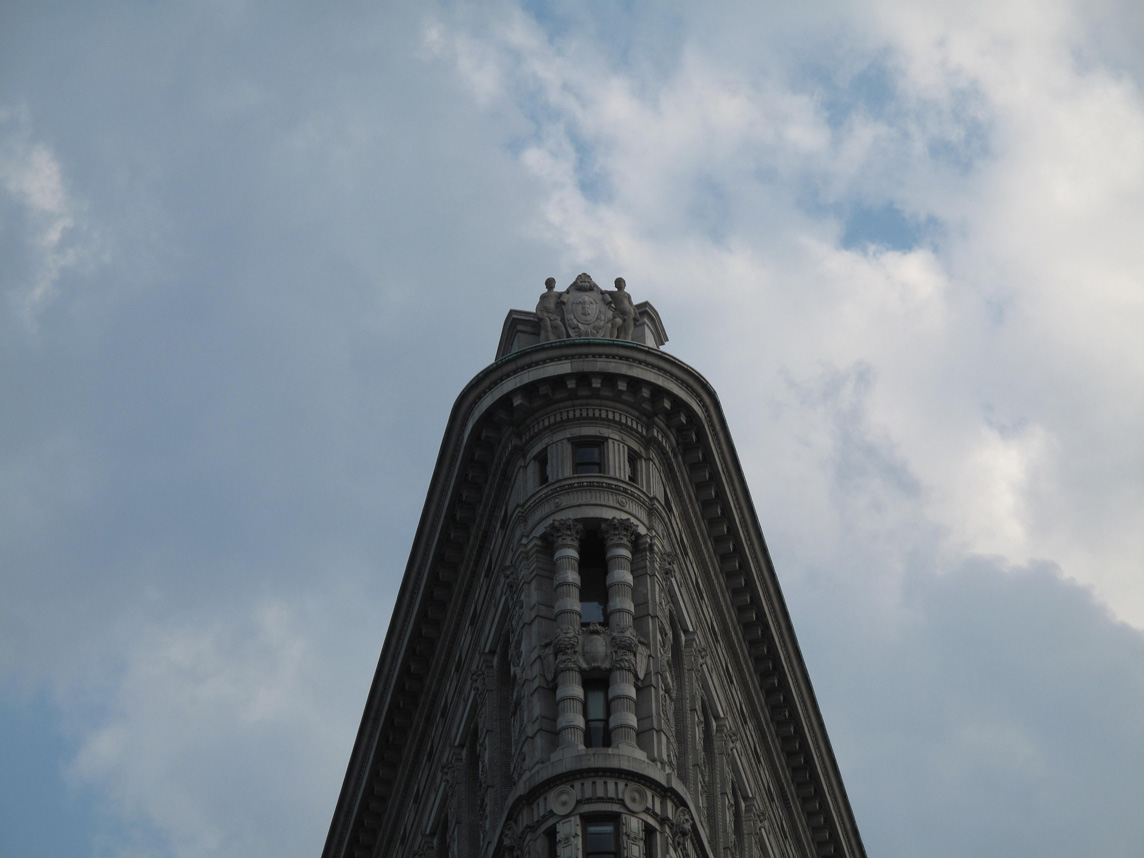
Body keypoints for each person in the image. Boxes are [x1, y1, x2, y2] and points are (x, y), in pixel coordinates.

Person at [536, 277, 566, 341]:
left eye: (552, 281)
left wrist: (575, 283)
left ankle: (564, 342)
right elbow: (539, 305)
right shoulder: (543, 295)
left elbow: (567, 291)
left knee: (559, 325)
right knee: (547, 328)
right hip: (543, 313)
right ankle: (549, 342)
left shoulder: (556, 293)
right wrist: (538, 313)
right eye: (549, 282)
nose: (551, 283)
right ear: (546, 285)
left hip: (552, 314)